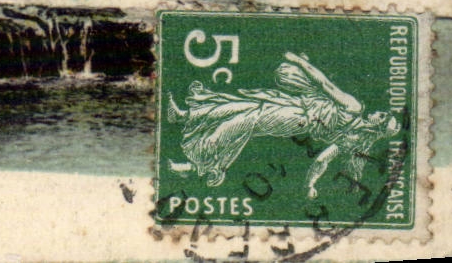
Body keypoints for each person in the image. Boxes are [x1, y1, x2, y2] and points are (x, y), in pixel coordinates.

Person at [166, 51, 401, 198]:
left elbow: (325, 85)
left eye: (381, 116)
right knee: (244, 105)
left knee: (246, 119)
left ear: (377, 125)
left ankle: (196, 164)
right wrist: (310, 185)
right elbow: (322, 161)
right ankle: (186, 116)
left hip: (297, 117)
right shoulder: (353, 141)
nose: (378, 113)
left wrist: (299, 61)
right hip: (297, 106)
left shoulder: (354, 108)